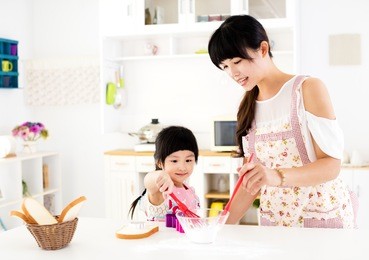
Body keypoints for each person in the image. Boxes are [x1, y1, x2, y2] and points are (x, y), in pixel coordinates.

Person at [208, 15, 357, 228]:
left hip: (320, 218)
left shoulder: (307, 89)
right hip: (276, 222)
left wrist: (274, 176)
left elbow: (331, 166)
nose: (233, 73)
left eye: (237, 61)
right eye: (224, 66)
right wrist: (218, 228)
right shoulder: (247, 106)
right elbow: (250, 183)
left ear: (262, 49)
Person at [129, 126, 200, 221]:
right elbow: (149, 181)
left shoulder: (188, 189)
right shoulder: (161, 190)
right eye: (174, 161)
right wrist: (161, 176)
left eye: (188, 160)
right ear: (159, 162)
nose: (183, 167)